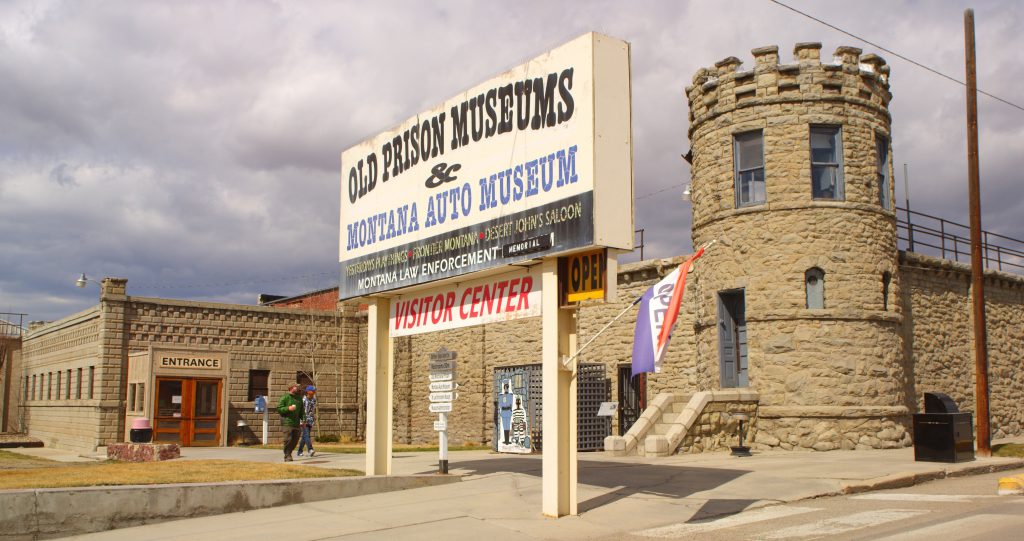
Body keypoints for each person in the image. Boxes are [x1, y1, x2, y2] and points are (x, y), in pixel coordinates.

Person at [277, 383, 304, 461]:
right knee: (288, 439)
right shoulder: (284, 397)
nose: (298, 388)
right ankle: (287, 455)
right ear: (291, 388)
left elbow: (302, 411)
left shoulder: (299, 398)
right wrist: (288, 408)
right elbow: (279, 409)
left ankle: (289, 452)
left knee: (295, 440)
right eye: (296, 387)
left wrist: (304, 420)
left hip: (296, 422)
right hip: (287, 422)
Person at [297, 385, 317, 457]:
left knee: (305, 436)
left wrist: (314, 416)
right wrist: (303, 420)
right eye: (312, 391)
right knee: (306, 434)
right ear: (308, 392)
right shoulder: (303, 400)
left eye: (314, 391)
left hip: (310, 419)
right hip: (303, 419)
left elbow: (313, 409)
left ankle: (299, 451)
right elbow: (301, 411)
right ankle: (310, 449)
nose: (314, 392)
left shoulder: (314, 399)